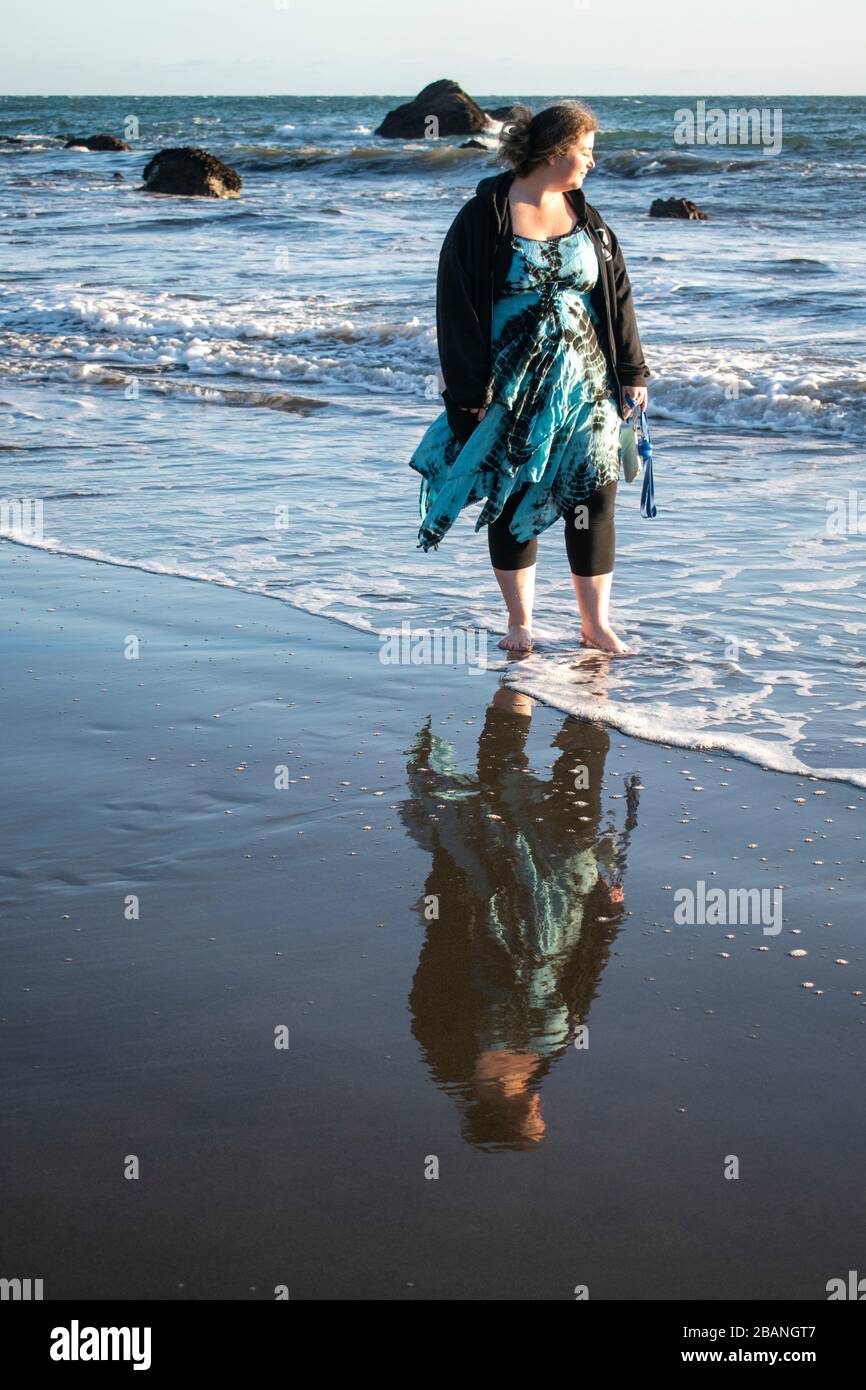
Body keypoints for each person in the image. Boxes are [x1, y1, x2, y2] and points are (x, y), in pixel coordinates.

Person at [408, 101, 650, 654]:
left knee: (597, 494)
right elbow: (457, 308)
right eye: (585, 151)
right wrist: (467, 394)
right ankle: (520, 622)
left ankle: (596, 624)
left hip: (587, 386)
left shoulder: (586, 216)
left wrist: (633, 373)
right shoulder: (485, 215)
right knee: (515, 493)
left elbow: (617, 298)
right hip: (511, 388)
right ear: (552, 151)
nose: (591, 162)